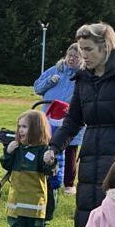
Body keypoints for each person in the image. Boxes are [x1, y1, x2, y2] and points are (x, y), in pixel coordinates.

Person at [46, 22, 115, 227]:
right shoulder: (83, 78)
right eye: (81, 49)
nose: (83, 55)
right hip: (90, 156)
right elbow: (73, 120)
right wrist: (54, 147)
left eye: (88, 49)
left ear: (105, 47)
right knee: (87, 215)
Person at [0, 109, 52, 227]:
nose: (20, 130)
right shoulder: (17, 148)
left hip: (35, 200)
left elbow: (49, 171)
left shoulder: (43, 150)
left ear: (36, 129)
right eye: (19, 126)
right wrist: (8, 152)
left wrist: (50, 162)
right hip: (17, 199)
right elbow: (6, 165)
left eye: (24, 127)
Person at [33, 43, 85, 193]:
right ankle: (46, 177)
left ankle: (69, 184)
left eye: (76, 57)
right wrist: (50, 81)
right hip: (49, 117)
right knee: (47, 146)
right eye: (70, 55)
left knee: (70, 148)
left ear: (82, 58)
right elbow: (37, 88)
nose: (72, 59)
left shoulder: (83, 74)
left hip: (70, 117)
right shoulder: (55, 70)